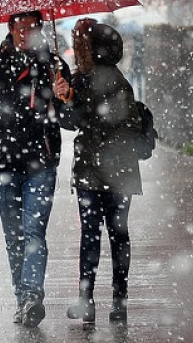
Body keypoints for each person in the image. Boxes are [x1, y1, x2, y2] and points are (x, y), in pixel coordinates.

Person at [0, 10, 70, 327]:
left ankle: (32, 295)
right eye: (21, 27)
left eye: (32, 28)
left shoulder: (54, 66)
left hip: (41, 164)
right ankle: (23, 299)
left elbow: (71, 120)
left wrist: (65, 97)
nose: (26, 33)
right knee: (14, 236)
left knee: (34, 233)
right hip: (4, 163)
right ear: (10, 27)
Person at [53, 18, 143, 324]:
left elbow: (75, 122)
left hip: (93, 171)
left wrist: (66, 99)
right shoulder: (120, 80)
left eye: (79, 42)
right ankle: (119, 301)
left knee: (90, 235)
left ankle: (86, 299)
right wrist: (68, 97)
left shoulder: (86, 80)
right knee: (119, 234)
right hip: (122, 170)